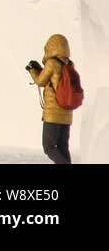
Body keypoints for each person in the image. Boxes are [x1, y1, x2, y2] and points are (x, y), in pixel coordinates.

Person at [26, 33, 74, 164]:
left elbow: (41, 81)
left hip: (53, 114)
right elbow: (54, 80)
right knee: (63, 147)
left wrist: (32, 70)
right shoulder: (69, 64)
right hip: (67, 114)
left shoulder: (52, 63)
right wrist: (41, 69)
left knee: (49, 147)